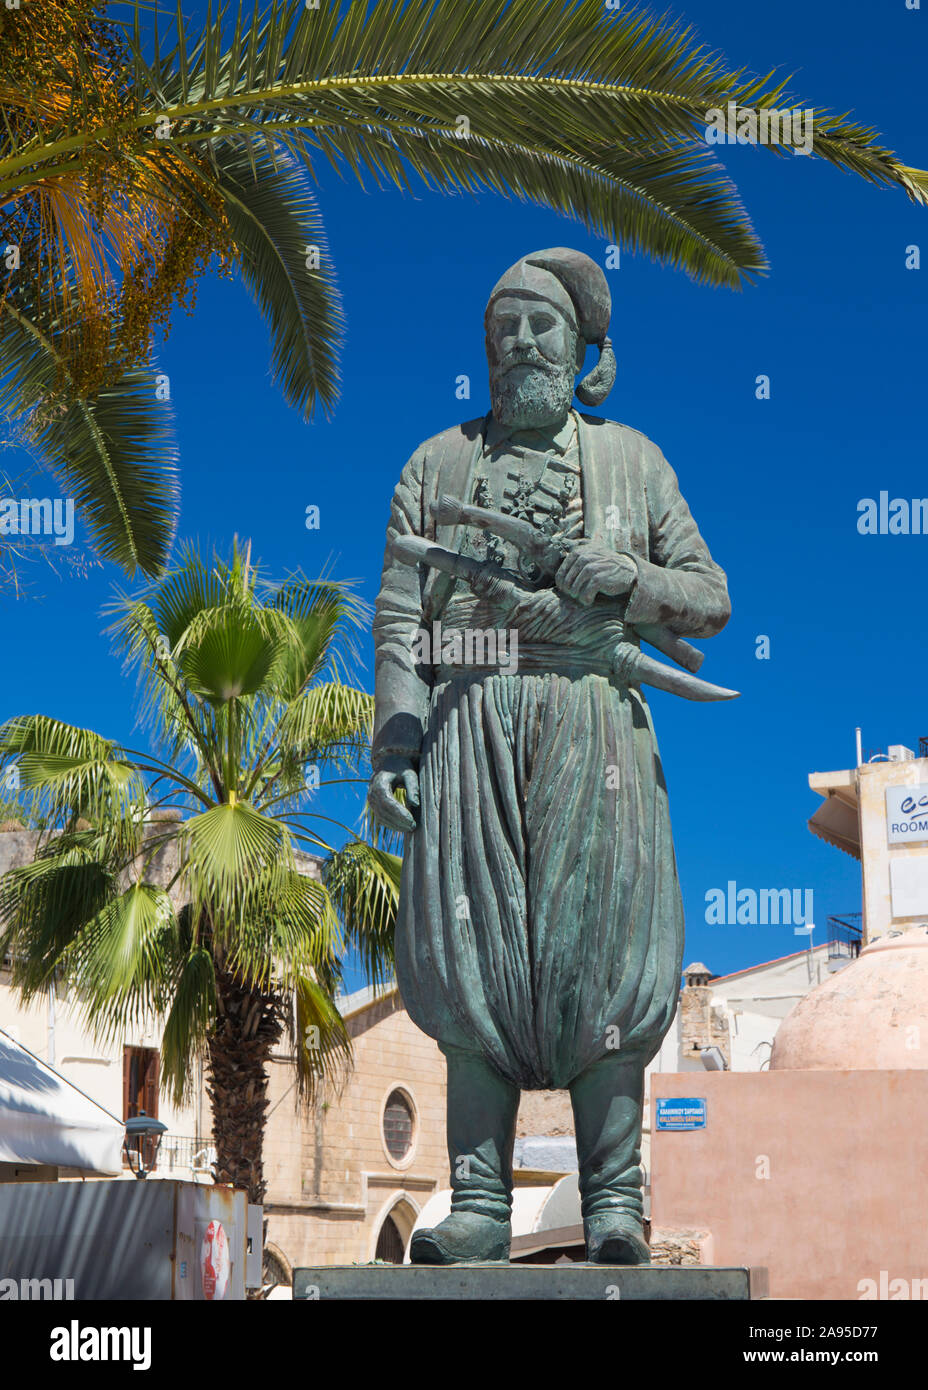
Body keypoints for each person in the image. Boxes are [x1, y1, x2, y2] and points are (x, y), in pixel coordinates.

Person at [369, 247, 731, 1265]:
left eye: (541, 326)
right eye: (505, 329)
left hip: (595, 720)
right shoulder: (434, 464)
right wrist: (397, 735)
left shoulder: (635, 463)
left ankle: (615, 1197)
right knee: (466, 954)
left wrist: (625, 579)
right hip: (468, 724)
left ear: (583, 350)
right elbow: (402, 619)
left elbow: (709, 596)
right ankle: (477, 1200)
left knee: (606, 955)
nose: (521, 342)